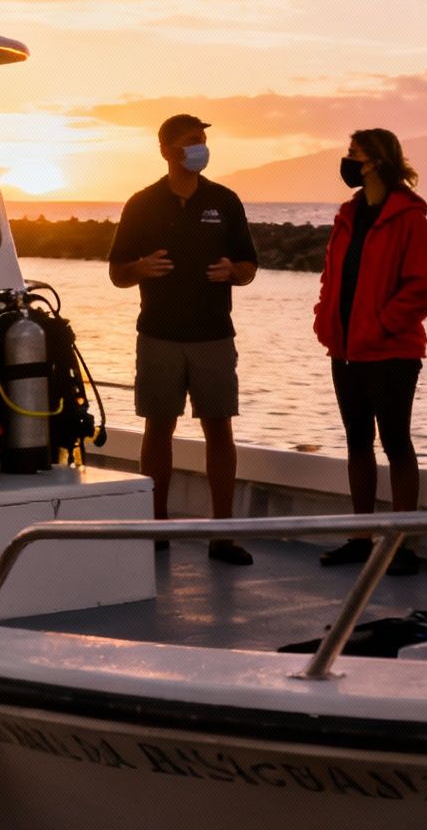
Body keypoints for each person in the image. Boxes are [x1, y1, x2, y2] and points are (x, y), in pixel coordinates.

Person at [108, 114, 260, 565]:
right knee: (159, 427)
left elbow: (250, 266)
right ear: (167, 150)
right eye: (192, 141)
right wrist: (139, 269)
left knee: (219, 427)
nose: (200, 147)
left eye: (203, 140)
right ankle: (157, 529)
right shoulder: (141, 204)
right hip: (159, 334)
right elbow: (117, 272)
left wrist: (234, 272)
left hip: (213, 334)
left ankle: (223, 534)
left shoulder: (225, 201)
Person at [312, 129, 427, 576]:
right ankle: (360, 536)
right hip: (345, 350)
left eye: (354, 154)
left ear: (376, 161)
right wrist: (324, 320)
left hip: (392, 353)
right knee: (356, 442)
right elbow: (333, 277)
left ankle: (400, 544)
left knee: (396, 442)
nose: (347, 161)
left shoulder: (409, 219)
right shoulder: (348, 216)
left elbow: (423, 289)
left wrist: (381, 325)